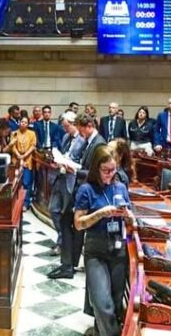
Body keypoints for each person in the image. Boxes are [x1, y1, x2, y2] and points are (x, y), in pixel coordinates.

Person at [74, 147, 132, 336]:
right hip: (96, 249)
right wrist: (100, 213)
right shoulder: (86, 190)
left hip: (118, 249)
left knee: (116, 303)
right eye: (106, 170)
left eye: (113, 170)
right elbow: (78, 224)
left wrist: (127, 215)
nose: (110, 174)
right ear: (96, 169)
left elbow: (129, 214)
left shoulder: (120, 186)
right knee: (102, 303)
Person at [50, 113, 107, 280]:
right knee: (71, 226)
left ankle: (68, 265)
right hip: (80, 189)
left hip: (87, 191)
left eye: (82, 131)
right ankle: (68, 265)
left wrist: (75, 170)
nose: (80, 134)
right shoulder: (90, 141)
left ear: (89, 126)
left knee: (69, 224)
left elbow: (97, 172)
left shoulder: (99, 144)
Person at [47, 113, 84, 264]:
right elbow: (64, 154)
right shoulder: (65, 138)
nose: (64, 128)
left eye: (66, 126)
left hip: (72, 179)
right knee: (53, 209)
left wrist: (70, 164)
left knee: (67, 214)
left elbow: (82, 163)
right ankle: (62, 238)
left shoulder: (82, 141)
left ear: (73, 124)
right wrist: (58, 161)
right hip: (60, 177)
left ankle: (64, 243)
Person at [9, 115, 38, 210]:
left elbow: (33, 146)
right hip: (16, 159)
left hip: (27, 160)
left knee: (26, 182)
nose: (23, 124)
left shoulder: (32, 133)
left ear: (28, 124)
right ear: (19, 123)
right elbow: (12, 146)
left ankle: (25, 203)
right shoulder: (14, 133)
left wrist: (24, 156)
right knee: (15, 182)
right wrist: (18, 155)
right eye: (22, 122)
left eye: (25, 122)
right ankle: (14, 203)